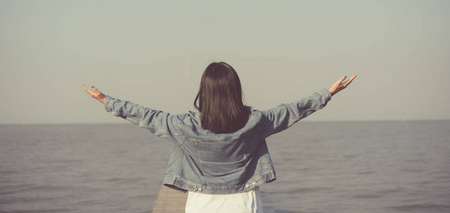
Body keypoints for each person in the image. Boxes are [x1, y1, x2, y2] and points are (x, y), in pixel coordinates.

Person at [82, 62, 356, 213]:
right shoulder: (255, 123)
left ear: (204, 91)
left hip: (201, 204)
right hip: (244, 202)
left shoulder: (185, 126)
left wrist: (106, 100)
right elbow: (292, 111)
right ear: (235, 90)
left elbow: (146, 116)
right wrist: (327, 93)